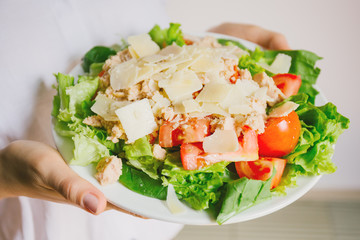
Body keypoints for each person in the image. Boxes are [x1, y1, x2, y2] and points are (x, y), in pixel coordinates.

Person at [0, 1, 290, 239]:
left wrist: (207, 49)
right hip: (42, 227)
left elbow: (159, 51)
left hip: (161, 227)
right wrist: (5, 177)